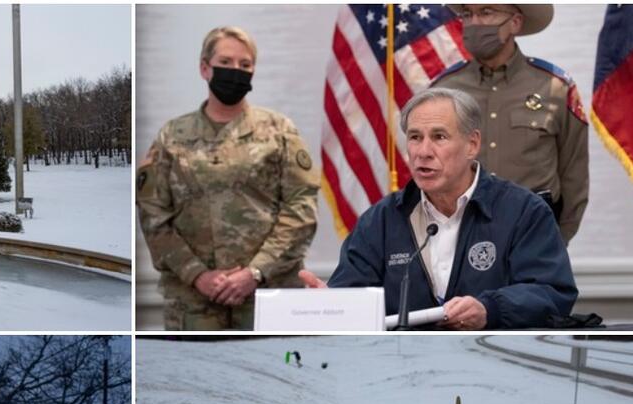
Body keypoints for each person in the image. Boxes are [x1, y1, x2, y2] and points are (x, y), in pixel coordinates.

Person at [299, 88, 577, 330]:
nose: (423, 151)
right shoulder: (382, 220)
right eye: (415, 137)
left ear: (472, 144)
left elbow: (552, 293)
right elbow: (353, 295)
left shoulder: (522, 212)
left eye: (439, 137)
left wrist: (490, 310)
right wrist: (331, 304)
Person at [137, 26, 319, 330]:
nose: (236, 71)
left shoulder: (279, 131)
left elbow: (301, 209)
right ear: (204, 68)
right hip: (193, 303)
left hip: (269, 297)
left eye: (245, 65)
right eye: (226, 62)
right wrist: (197, 274)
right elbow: (152, 214)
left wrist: (255, 272)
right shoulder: (172, 136)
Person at [433, 4, 588, 244]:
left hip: (532, 232)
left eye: (485, 13)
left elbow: (573, 175)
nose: (474, 23)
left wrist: (557, 240)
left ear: (515, 22)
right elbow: (430, 166)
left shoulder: (554, 87)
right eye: (467, 15)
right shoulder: (444, 89)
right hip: (460, 233)